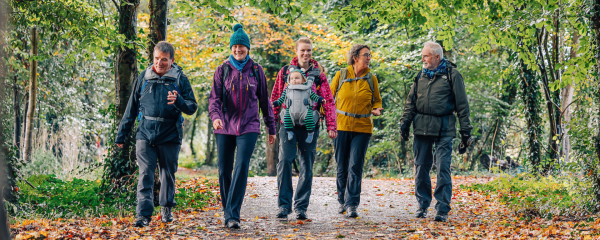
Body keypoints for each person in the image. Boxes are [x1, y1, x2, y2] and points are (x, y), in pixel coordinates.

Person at [115, 41, 198, 227]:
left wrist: (179, 102)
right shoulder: (144, 77)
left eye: (164, 60)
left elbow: (192, 107)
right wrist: (122, 135)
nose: (159, 63)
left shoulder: (180, 79)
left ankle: (166, 208)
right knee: (145, 174)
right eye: (156, 59)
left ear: (172, 60)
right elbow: (131, 108)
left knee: (167, 174)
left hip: (170, 134)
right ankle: (143, 216)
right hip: (145, 133)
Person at [208, 23, 276, 229]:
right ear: (231, 48)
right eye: (235, 46)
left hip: (249, 125)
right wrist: (216, 117)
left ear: (248, 48)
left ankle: (233, 215)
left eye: (242, 46)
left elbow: (265, 101)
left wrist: (270, 127)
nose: (238, 49)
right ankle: (229, 210)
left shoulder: (256, 71)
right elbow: (214, 99)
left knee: (241, 166)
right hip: (224, 126)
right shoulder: (222, 70)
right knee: (223, 170)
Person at [399, 41, 473, 222]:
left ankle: (442, 209)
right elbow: (410, 103)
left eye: (426, 55)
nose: (422, 59)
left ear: (436, 57)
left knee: (442, 168)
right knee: (421, 167)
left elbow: (462, 106)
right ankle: (423, 205)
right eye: (423, 55)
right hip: (422, 127)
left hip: (444, 128)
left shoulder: (452, 75)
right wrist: (404, 124)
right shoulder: (420, 76)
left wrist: (466, 133)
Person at [270, 37, 337, 220]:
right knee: (284, 162)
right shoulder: (285, 72)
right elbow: (275, 97)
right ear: (296, 52)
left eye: (309, 50)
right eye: (303, 51)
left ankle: (301, 207)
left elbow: (328, 101)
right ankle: (284, 206)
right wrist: (271, 126)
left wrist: (332, 125)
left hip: (309, 127)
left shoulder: (318, 74)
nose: (306, 54)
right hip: (287, 125)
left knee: (306, 166)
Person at [330, 44, 383, 218]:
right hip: (341, 126)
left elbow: (377, 100)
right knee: (342, 166)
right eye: (365, 55)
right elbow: (329, 100)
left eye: (370, 55)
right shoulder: (341, 74)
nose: (368, 58)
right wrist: (328, 121)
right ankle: (341, 200)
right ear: (355, 57)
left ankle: (352, 204)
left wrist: (376, 109)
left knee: (355, 165)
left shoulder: (371, 78)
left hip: (363, 128)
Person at [272, 68, 325, 143]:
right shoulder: (287, 90)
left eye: (297, 78)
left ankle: (310, 133)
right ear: (289, 81)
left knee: (309, 120)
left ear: (303, 80)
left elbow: (314, 96)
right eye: (292, 78)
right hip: (291, 111)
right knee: (286, 119)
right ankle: (289, 131)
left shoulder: (307, 89)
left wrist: (320, 99)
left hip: (305, 111)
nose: (294, 80)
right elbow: (281, 99)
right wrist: (275, 103)